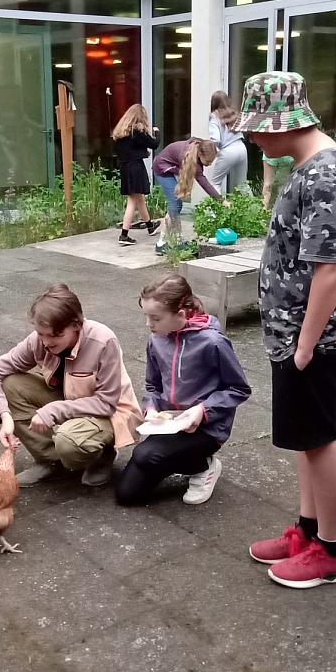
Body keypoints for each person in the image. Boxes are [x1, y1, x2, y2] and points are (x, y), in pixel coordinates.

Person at [236, 72, 336, 590]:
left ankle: (332, 551)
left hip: (312, 337)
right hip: (297, 333)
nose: (252, 138)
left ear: (282, 124)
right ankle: (309, 532)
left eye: (256, 128)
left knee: (320, 438)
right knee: (306, 439)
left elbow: (331, 268)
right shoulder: (309, 168)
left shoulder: (324, 175)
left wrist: (306, 344)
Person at [0, 284, 142, 487]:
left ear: (75, 325)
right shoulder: (39, 340)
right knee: (10, 384)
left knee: (68, 441)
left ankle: (103, 454)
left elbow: (106, 403)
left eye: (54, 335)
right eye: (41, 334)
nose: (46, 342)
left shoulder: (103, 340)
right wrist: (5, 418)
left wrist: (53, 410)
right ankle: (52, 461)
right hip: (70, 402)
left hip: (110, 413)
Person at [116, 274, 251, 506]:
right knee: (127, 495)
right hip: (171, 425)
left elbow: (239, 388)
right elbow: (153, 385)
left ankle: (204, 466)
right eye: (146, 316)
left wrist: (202, 410)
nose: (148, 324)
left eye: (155, 318)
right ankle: (174, 458)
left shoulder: (212, 342)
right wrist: (151, 408)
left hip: (207, 428)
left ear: (180, 315)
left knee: (143, 455)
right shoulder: (156, 339)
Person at [151, 138, 229, 255]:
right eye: (208, 162)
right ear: (200, 154)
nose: (209, 165)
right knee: (175, 204)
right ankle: (163, 244)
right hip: (162, 169)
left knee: (176, 204)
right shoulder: (189, 158)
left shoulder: (199, 148)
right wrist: (221, 200)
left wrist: (221, 200)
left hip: (170, 166)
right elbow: (204, 182)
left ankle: (175, 241)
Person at [113, 103, 161, 247]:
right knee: (132, 200)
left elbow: (128, 150)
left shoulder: (121, 132)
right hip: (135, 168)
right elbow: (154, 144)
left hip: (125, 167)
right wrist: (157, 132)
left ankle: (150, 226)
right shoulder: (137, 131)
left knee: (139, 199)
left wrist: (142, 152)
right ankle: (124, 234)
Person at [207, 90, 250, 196]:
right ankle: (254, 206)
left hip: (228, 150)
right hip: (241, 147)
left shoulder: (214, 116)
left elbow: (215, 139)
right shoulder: (233, 113)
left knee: (214, 183)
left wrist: (213, 152)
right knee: (243, 184)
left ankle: (215, 207)